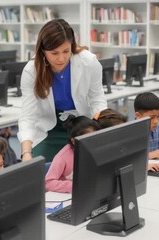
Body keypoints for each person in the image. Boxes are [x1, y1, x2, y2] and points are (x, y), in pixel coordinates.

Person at [18, 19, 107, 163]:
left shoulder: (89, 62)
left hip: (82, 126)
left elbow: (97, 98)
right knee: (40, 170)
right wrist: (26, 152)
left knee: (89, 167)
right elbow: (28, 116)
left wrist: (102, 127)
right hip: (49, 130)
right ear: (43, 51)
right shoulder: (31, 71)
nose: (61, 58)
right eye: (54, 53)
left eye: (66, 51)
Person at [45, 115, 100, 193]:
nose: (93, 143)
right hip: (68, 196)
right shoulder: (62, 157)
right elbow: (48, 183)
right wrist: (75, 186)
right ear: (74, 141)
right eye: (88, 139)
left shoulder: (95, 150)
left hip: (90, 192)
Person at [134, 92, 159, 171]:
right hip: (141, 172)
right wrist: (149, 155)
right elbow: (128, 161)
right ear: (138, 115)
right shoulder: (131, 133)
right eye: (152, 117)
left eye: (158, 116)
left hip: (156, 169)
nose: (156, 121)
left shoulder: (158, 127)